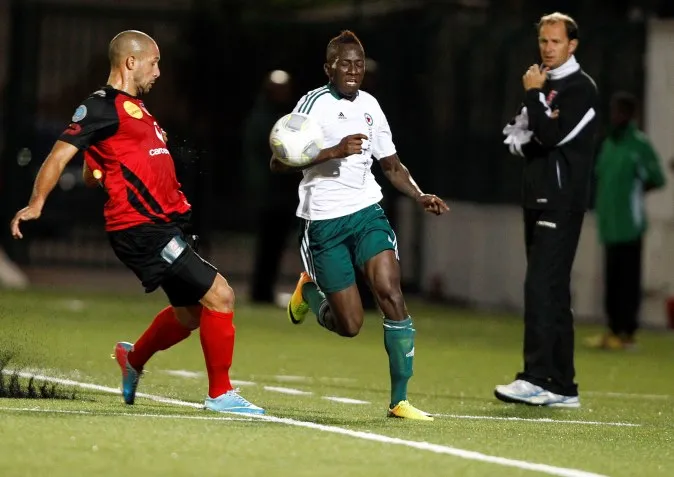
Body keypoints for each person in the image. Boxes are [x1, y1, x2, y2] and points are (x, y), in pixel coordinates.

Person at [9, 30, 264, 415]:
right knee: (221, 295)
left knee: (191, 313)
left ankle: (133, 358)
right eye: (154, 61)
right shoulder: (100, 106)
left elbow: (115, 163)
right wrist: (36, 203)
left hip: (163, 225)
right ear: (131, 62)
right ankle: (220, 394)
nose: (159, 71)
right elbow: (59, 156)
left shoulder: (138, 110)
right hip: (141, 228)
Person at [270, 30, 449, 421]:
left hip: (368, 212)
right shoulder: (312, 105)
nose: (353, 71)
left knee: (390, 292)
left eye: (358, 64)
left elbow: (391, 165)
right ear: (328, 68)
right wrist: (333, 150)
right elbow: (278, 162)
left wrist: (419, 195)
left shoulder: (370, 105)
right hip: (325, 222)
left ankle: (399, 400)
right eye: (344, 64)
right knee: (349, 325)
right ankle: (309, 294)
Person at [497, 12, 598, 408]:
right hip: (535, 197)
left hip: (561, 200)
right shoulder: (542, 83)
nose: (547, 48)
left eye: (555, 42)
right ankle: (563, 386)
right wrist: (537, 117)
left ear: (572, 45)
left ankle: (537, 377)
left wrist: (534, 101)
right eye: (543, 41)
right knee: (552, 292)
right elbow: (514, 135)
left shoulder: (579, 88)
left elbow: (552, 134)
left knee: (540, 286)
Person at [586, 92, 665, 350]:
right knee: (611, 281)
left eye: (620, 111)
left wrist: (637, 189)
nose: (615, 116)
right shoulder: (609, 143)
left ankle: (628, 334)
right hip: (610, 223)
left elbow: (657, 176)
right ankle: (612, 331)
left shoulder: (639, 145)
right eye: (614, 111)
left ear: (630, 115)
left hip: (630, 225)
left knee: (628, 283)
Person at [244, 70, 300, 304]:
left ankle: (266, 289)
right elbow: (254, 155)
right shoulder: (261, 118)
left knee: (277, 243)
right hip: (269, 193)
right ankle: (260, 290)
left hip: (285, 191)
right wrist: (261, 185)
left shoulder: (289, 117)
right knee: (267, 243)